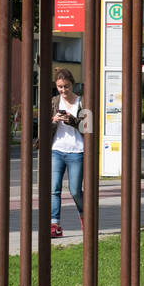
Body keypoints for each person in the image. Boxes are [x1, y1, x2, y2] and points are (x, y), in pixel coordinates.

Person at [49, 68, 84, 238]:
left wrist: (72, 120)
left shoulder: (82, 102)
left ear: (73, 85)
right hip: (57, 149)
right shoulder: (54, 102)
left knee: (75, 190)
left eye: (66, 87)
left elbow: (89, 127)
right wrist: (53, 120)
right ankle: (54, 224)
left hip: (77, 150)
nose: (63, 90)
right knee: (54, 189)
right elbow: (44, 126)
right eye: (60, 87)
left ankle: (86, 217)